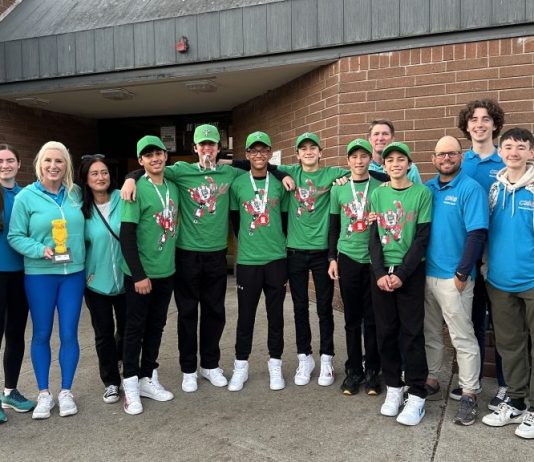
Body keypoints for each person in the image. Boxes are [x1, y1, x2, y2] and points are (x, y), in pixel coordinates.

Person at [121, 125, 289, 393]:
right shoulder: (181, 171)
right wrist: (131, 177)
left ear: (219, 148)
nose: (207, 149)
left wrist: (282, 173)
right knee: (187, 313)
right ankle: (189, 369)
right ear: (195, 148)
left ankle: (210, 365)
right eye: (203, 145)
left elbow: (260, 166)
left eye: (212, 144)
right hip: (187, 253)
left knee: (215, 311)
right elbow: (153, 168)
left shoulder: (230, 172)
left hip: (216, 254)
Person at [8, 141, 86, 419]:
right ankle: (43, 394)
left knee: (69, 334)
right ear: (39, 164)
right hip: (40, 274)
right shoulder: (25, 197)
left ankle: (66, 392)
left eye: (59, 161)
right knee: (41, 333)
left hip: (73, 274)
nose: (53, 166)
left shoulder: (76, 193)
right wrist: (40, 250)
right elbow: (15, 236)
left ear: (67, 165)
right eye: (48, 161)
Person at [424, 136, 488, 426]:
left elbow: (477, 234)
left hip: (454, 278)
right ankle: (432, 380)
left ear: (461, 156)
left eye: (452, 153)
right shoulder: (427, 189)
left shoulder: (470, 189)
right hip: (426, 275)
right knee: (431, 333)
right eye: (441, 154)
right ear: (433, 159)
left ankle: (469, 393)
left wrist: (462, 273)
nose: (446, 158)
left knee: (462, 336)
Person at [276, 132, 349, 387]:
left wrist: (383, 182)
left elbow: (361, 173)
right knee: (299, 307)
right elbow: (260, 166)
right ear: (297, 154)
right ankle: (304, 357)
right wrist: (282, 176)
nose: (308, 152)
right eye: (303, 148)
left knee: (324, 308)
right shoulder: (290, 172)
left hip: (322, 253)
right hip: (294, 251)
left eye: (313, 148)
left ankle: (327, 358)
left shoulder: (332, 174)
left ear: (320, 152)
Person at [369, 141, 432, 426]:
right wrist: (380, 272)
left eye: (400, 159)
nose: (395, 164)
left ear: (409, 164)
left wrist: (402, 274)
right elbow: (373, 237)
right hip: (382, 273)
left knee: (412, 333)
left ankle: (416, 393)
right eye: (390, 160)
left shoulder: (422, 193)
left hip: (410, 272)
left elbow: (422, 238)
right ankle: (394, 387)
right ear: (384, 165)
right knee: (386, 332)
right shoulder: (378, 194)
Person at [481, 127, 534, 440]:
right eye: (509, 146)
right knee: (510, 345)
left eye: (521, 147)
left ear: (531, 153)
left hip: (531, 281)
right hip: (500, 282)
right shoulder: (494, 189)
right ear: (500, 151)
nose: (514, 152)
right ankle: (515, 401)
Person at [120, 135, 178, 415]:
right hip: (141, 275)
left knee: (156, 327)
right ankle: (130, 384)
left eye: (159, 153)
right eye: (148, 155)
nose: (155, 158)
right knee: (134, 330)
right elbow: (126, 236)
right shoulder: (135, 190)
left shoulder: (172, 185)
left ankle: (147, 377)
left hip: (166, 271)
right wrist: (138, 275)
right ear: (140, 160)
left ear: (165, 156)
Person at [454, 99, 507, 405]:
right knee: (471, 322)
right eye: (474, 119)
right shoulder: (462, 163)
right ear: (467, 125)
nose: (479, 124)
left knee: (501, 323)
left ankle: (506, 385)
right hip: (468, 257)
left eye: (486, 119)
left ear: (495, 124)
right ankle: (469, 383)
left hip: (498, 254)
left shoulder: (506, 160)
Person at [227, 131, 288, 392]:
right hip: (249, 261)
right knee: (245, 316)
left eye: (264, 150)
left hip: (276, 259)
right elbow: (235, 221)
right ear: (248, 154)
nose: (259, 154)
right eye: (254, 150)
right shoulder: (238, 184)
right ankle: (241, 365)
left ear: (270, 153)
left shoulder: (279, 183)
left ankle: (275, 364)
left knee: (276, 316)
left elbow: (284, 220)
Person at [328, 139, 384, 396]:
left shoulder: (381, 186)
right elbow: (333, 226)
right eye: (354, 156)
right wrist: (332, 257)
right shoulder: (338, 188)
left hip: (373, 259)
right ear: (348, 160)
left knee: (372, 319)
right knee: (351, 318)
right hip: (348, 257)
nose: (359, 161)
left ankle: (372, 370)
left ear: (370, 159)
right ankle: (353, 371)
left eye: (364, 156)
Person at [78, 155, 126, 404]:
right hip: (96, 282)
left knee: (128, 329)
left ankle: (123, 363)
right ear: (86, 179)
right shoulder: (81, 209)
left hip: (127, 279)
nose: (100, 177)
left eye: (104, 172)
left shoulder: (123, 198)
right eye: (94, 173)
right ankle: (111, 382)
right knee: (103, 333)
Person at [0, 144, 35, 423]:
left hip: (22, 274)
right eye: (0, 161)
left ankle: (10, 392)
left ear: (19, 164)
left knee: (15, 334)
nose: (5, 165)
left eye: (10, 160)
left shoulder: (26, 195)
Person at [368, 119, 422, 183]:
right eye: (376, 134)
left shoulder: (409, 168)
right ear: (370, 139)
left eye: (385, 134)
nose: (380, 138)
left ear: (392, 139)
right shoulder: (364, 167)